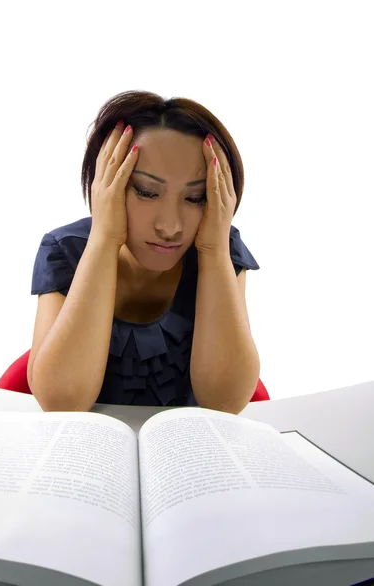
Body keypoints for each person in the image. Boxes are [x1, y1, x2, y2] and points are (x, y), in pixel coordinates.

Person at [28, 90, 261, 414]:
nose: (170, 227)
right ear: (107, 182)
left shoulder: (219, 245)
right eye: (147, 192)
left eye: (195, 198)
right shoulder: (64, 249)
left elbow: (225, 403)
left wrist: (214, 249)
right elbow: (60, 402)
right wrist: (104, 239)